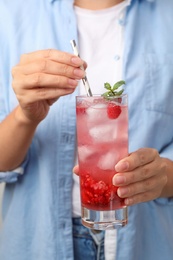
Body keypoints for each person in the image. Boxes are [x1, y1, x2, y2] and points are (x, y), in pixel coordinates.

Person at [0, 0, 173, 260]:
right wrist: (26, 117)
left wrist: (163, 177)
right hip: (37, 242)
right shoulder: (11, 14)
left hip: (147, 243)